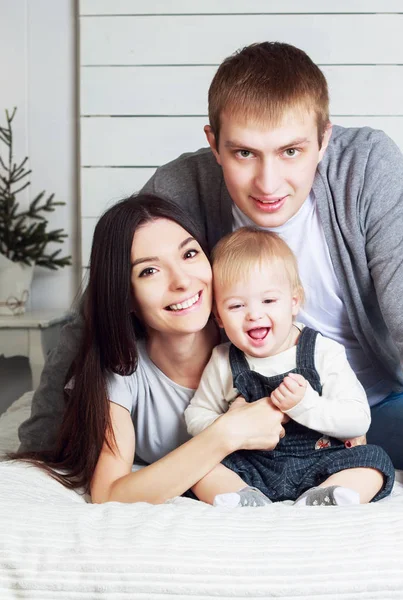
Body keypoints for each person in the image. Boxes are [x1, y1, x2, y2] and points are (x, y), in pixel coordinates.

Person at [20, 42, 403, 512]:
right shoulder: (183, 186)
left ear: (323, 139)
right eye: (244, 153)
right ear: (214, 142)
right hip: (343, 406)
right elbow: (96, 311)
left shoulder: (367, 166)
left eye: (292, 151)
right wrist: (35, 450)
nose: (268, 181)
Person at [12, 194, 286, 502]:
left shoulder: (255, 337)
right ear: (125, 296)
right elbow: (108, 492)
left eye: (190, 254)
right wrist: (224, 434)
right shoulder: (122, 373)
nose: (182, 281)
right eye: (149, 271)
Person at [185, 227, 395, 507]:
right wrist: (230, 424)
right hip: (252, 466)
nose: (254, 314)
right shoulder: (224, 360)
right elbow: (195, 416)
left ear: (294, 302)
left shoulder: (322, 351)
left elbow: (357, 419)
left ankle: (327, 496)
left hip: (320, 464)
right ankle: (240, 498)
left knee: (374, 460)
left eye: (269, 300)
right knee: (196, 465)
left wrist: (306, 405)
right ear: (219, 317)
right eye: (236, 306)